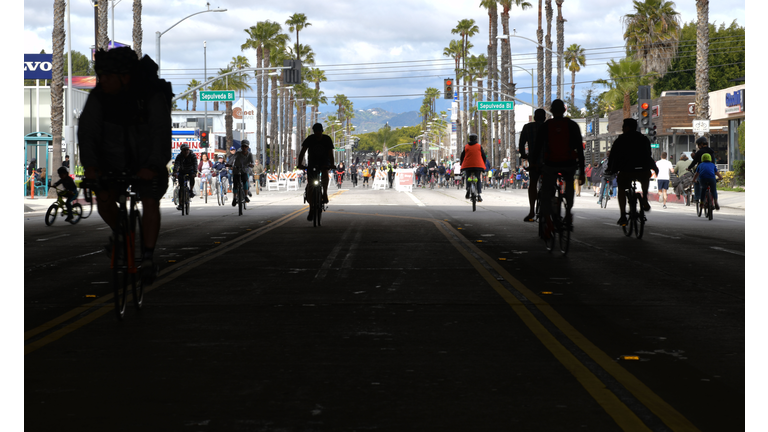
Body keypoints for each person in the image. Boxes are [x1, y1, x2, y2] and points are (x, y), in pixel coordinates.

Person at [78, 46, 173, 285]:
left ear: (125, 77)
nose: (102, 81)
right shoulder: (99, 97)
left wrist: (153, 165)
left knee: (150, 200)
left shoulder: (150, 96)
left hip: (146, 161)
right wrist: (90, 166)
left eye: (107, 76)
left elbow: (161, 133)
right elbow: (88, 133)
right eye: (100, 76)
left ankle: (148, 258)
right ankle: (121, 232)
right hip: (110, 160)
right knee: (104, 199)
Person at [535, 99, 585, 236]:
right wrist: (582, 172)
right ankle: (568, 213)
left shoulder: (546, 126)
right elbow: (579, 149)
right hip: (569, 164)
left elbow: (537, 148)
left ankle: (549, 223)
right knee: (569, 184)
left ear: (551, 111)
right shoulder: (572, 125)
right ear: (564, 110)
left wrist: (535, 164)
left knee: (546, 193)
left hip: (550, 164)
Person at [606, 118, 659, 226]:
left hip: (626, 170)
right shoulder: (643, 139)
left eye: (623, 127)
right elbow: (648, 155)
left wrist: (610, 169)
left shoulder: (621, 139)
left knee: (621, 189)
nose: (622, 129)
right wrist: (654, 167)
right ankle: (644, 198)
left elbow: (613, 156)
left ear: (626, 127)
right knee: (645, 177)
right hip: (642, 169)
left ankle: (623, 216)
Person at [297, 123, 335, 219]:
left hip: (324, 162)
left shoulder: (327, 139)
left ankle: (325, 193)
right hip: (312, 162)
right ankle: (311, 208)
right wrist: (299, 164)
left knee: (325, 173)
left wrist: (332, 164)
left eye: (319, 130)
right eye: (316, 131)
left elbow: (330, 153)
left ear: (322, 131)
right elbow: (302, 152)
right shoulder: (310, 139)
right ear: (314, 132)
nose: (317, 132)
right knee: (311, 185)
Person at [519, 108, 546, 222]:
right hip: (548, 162)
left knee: (533, 184)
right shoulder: (549, 126)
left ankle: (531, 211)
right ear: (544, 118)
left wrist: (524, 155)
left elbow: (521, 144)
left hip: (534, 162)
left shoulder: (527, 127)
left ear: (534, 118)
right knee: (549, 183)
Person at [687, 136, 716, 204]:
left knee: (696, 182)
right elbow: (713, 162)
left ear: (702, 144)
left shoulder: (700, 152)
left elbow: (694, 162)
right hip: (711, 170)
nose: (698, 146)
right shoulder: (711, 151)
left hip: (701, 171)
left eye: (698, 145)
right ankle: (713, 200)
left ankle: (697, 197)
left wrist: (689, 167)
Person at [460, 133, 488, 202]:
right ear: (476, 139)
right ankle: (478, 194)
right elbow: (483, 156)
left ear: (469, 139)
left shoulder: (466, 146)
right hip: (478, 166)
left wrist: (461, 163)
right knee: (478, 179)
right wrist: (484, 163)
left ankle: (468, 189)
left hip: (468, 166)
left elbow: (462, 156)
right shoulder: (479, 146)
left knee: (468, 177)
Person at [227, 140, 255, 206]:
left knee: (245, 181)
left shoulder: (250, 154)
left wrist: (252, 165)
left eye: (245, 146)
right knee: (235, 184)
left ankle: (245, 196)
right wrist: (228, 164)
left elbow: (252, 162)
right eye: (243, 146)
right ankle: (234, 197)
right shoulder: (237, 153)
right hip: (236, 170)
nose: (244, 148)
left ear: (248, 147)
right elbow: (232, 159)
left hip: (244, 170)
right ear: (241, 147)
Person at [173, 144, 198, 209]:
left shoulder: (192, 155)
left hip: (190, 170)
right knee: (181, 187)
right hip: (182, 170)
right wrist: (175, 172)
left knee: (192, 177)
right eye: (184, 150)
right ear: (181, 151)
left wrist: (195, 172)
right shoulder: (179, 156)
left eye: (187, 149)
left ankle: (191, 190)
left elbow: (195, 164)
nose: (186, 151)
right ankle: (180, 204)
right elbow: (176, 164)